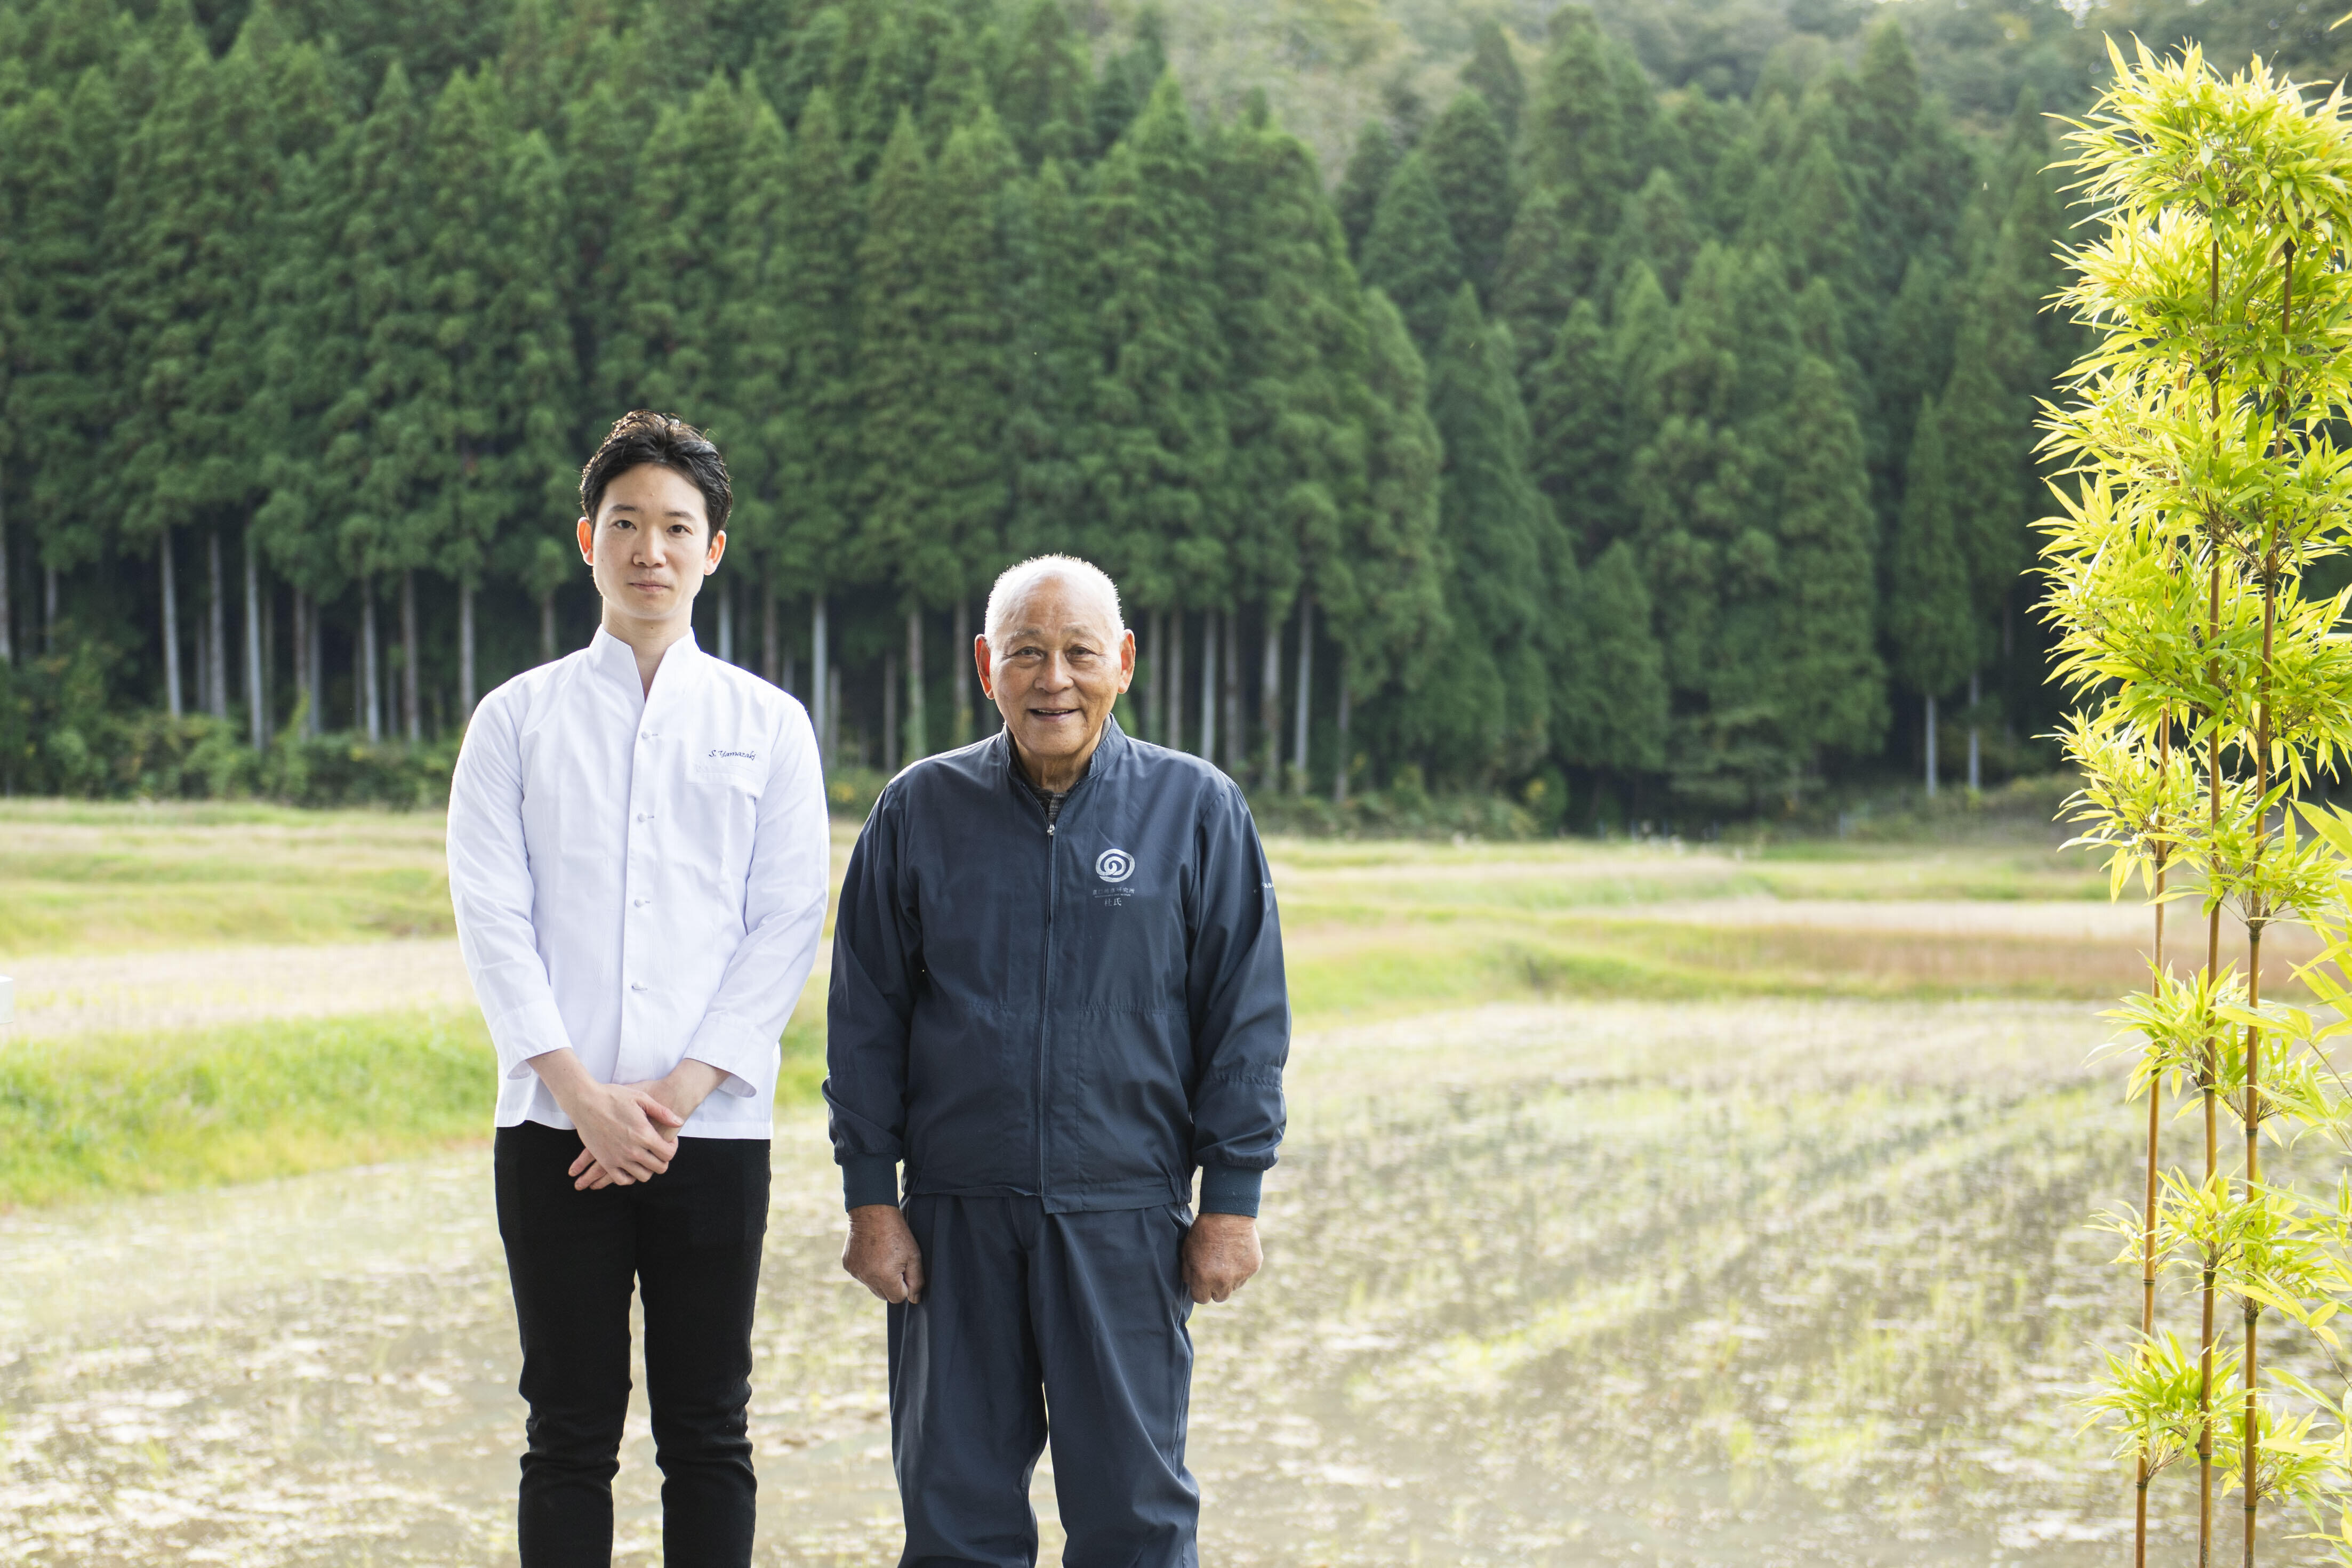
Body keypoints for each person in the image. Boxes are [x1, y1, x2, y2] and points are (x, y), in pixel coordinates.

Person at [825, 554, 1290, 1568]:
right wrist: (871, 1195)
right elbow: (865, 1018)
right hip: (953, 1222)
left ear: (1122, 661)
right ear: (986, 665)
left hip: (1124, 1218)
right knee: (955, 1523)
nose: (1054, 680)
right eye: (1027, 654)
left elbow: (1244, 1019)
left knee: (1136, 1521)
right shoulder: (917, 810)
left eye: (1080, 653)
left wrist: (1234, 1198)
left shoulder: (1197, 810)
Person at [447, 410, 831, 1568]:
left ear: (715, 548)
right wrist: (579, 1089)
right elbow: (492, 920)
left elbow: (785, 922)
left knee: (708, 1429)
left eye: (677, 527)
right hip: (550, 1131)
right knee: (565, 1431)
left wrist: (670, 1093)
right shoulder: (516, 719)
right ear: (586, 540)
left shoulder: (768, 725)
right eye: (627, 524)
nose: (650, 550)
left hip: (710, 1131)